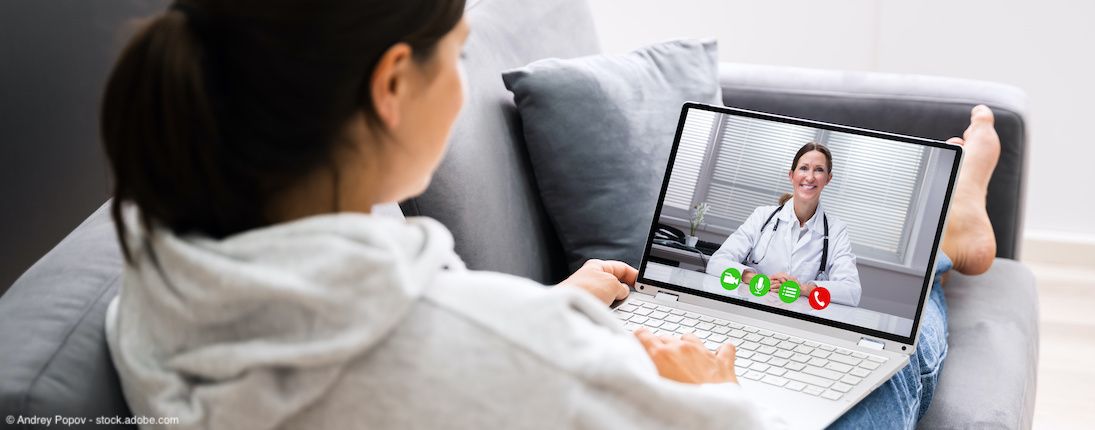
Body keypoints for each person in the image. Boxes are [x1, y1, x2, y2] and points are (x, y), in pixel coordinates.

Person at [99, 0, 1002, 428]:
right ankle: (950, 235)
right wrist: (713, 391)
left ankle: (944, 234)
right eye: (459, 54)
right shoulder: (517, 349)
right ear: (391, 86)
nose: (466, 82)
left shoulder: (156, 290)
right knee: (896, 347)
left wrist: (546, 307)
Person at [705, 142, 863, 307]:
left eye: (819, 170)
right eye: (804, 168)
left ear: (828, 179)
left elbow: (851, 291)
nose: (810, 177)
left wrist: (803, 289)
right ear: (791, 175)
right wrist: (759, 280)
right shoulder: (762, 216)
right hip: (751, 309)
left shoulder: (836, 230)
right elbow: (716, 263)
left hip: (798, 318)